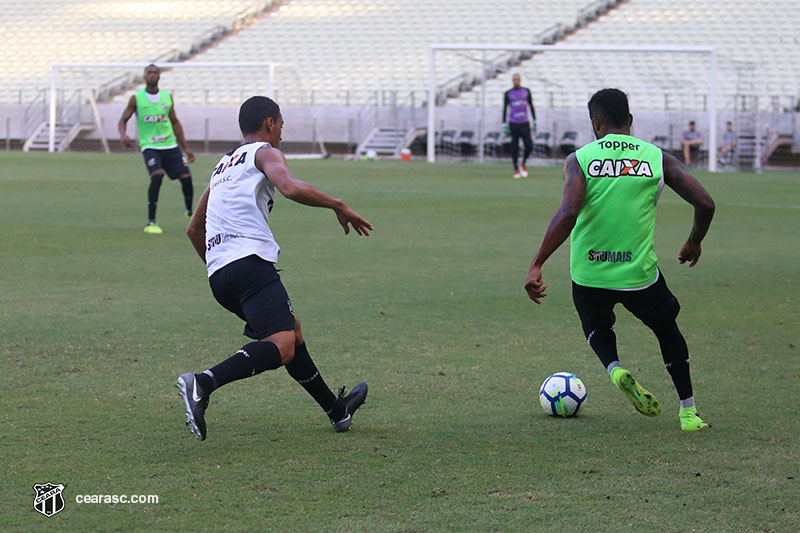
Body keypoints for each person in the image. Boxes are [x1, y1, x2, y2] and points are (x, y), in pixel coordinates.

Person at [177, 96, 373, 441]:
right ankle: (203, 383)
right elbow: (290, 186)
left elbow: (195, 229)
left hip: (219, 275)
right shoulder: (264, 152)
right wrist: (338, 204)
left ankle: (337, 411)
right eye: (281, 124)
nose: (282, 132)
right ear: (269, 122)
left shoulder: (222, 167)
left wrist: (221, 264)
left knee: (291, 332)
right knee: (282, 345)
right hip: (249, 265)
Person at [524, 88, 715, 432]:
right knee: (666, 330)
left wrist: (538, 263)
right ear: (630, 119)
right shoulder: (657, 158)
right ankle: (689, 413)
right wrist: (694, 241)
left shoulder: (579, 160)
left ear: (595, 122)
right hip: (638, 275)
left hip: (590, 273)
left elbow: (568, 213)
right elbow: (705, 203)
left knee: (596, 325)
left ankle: (614, 369)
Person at [118, 64, 196, 234]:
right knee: (157, 176)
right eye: (149, 72)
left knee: (187, 178)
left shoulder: (167, 97)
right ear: (144, 76)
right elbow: (123, 120)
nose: (152, 75)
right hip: (150, 146)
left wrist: (186, 148)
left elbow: (175, 122)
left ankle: (190, 212)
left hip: (170, 145)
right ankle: (151, 222)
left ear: (159, 76)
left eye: (155, 72)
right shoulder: (136, 98)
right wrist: (123, 135)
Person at [503, 73, 536, 179]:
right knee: (514, 147)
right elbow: (505, 108)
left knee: (529, 145)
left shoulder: (526, 91)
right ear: (512, 81)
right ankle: (516, 169)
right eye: (515, 79)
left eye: (518, 79)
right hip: (513, 123)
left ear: (520, 80)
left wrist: (534, 120)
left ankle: (523, 163)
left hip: (524, 123)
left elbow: (531, 105)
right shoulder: (508, 93)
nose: (516, 81)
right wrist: (504, 124)